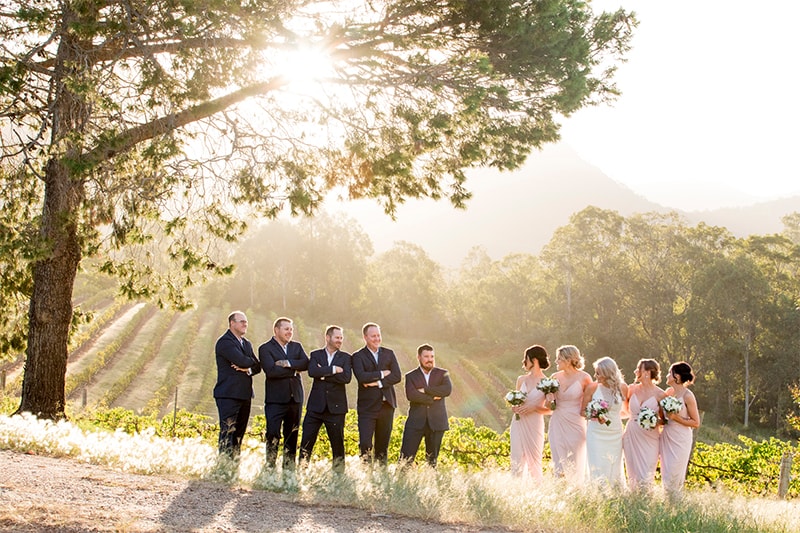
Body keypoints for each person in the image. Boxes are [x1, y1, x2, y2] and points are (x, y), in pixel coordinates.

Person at [298, 325, 352, 472]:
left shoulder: (346, 358)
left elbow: (346, 378)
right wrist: (334, 370)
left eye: (341, 338)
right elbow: (312, 372)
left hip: (336, 409)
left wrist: (323, 375)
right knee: (306, 441)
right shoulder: (315, 355)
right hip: (315, 407)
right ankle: (301, 472)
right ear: (328, 337)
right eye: (337, 337)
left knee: (337, 444)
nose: (340, 340)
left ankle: (338, 476)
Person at [259, 317, 309, 469]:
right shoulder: (265, 348)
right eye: (286, 329)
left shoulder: (297, 347)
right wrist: (294, 370)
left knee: (292, 435)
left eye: (291, 329)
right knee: (273, 434)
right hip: (275, 400)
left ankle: (288, 469)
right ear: (276, 330)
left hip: (295, 399)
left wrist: (287, 364)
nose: (290, 332)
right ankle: (270, 467)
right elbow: (271, 371)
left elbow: (306, 363)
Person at [213, 311, 262, 457]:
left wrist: (247, 368)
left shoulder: (246, 343)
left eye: (246, 321)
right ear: (232, 323)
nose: (244, 324)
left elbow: (258, 367)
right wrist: (248, 363)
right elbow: (243, 361)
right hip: (228, 394)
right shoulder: (225, 342)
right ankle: (223, 465)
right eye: (241, 321)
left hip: (245, 394)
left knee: (239, 433)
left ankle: (234, 467)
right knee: (228, 432)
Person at [352, 322, 401, 464]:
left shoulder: (389, 353)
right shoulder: (358, 356)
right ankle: (365, 476)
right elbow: (362, 377)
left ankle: (381, 479)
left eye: (378, 335)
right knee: (365, 444)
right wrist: (382, 373)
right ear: (365, 337)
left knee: (382, 446)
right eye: (373, 336)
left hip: (387, 406)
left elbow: (397, 376)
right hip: (367, 407)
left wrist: (378, 383)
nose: (377, 338)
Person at [399, 344, 452, 467]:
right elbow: (411, 395)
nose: (430, 359)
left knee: (432, 462)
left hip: (437, 423)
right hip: (415, 423)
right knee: (405, 460)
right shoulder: (410, 376)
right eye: (426, 356)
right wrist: (433, 398)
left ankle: (430, 483)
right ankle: (400, 482)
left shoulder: (443, 373)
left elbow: (447, 390)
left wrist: (425, 390)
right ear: (419, 357)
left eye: (432, 356)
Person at [548, 345, 592, 482]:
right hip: (557, 421)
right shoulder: (554, 377)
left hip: (576, 422)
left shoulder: (585, 378)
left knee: (576, 458)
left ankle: (577, 489)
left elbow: (590, 401)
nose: (556, 362)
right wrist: (549, 398)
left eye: (559, 359)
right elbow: (549, 406)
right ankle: (560, 488)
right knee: (558, 458)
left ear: (568, 360)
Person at [582, 356, 628, 485]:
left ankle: (615, 491)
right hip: (596, 433)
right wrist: (594, 415)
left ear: (608, 372)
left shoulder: (623, 388)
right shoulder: (592, 388)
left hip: (615, 433)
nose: (595, 375)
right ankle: (597, 492)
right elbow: (583, 412)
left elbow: (625, 411)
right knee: (596, 462)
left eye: (598, 373)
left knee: (614, 463)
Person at [622, 358, 666, 491]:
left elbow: (664, 420)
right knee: (632, 471)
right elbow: (625, 410)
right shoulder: (631, 389)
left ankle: (646, 500)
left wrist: (653, 422)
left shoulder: (660, 394)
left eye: (638, 369)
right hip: (631, 433)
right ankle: (633, 500)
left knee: (647, 471)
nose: (635, 371)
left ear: (647, 372)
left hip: (649, 437)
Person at [509, 345, 551, 479]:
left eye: (525, 359)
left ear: (534, 360)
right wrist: (515, 407)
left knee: (534, 460)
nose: (524, 362)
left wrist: (535, 408)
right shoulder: (521, 379)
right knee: (516, 458)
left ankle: (537, 492)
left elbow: (551, 409)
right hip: (518, 422)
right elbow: (517, 400)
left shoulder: (548, 382)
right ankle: (516, 490)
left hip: (534, 424)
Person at [659, 361, 701, 495]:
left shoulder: (688, 396)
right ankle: (667, 503)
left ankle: (675, 503)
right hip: (667, 436)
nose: (666, 375)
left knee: (674, 473)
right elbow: (664, 417)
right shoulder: (668, 393)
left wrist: (677, 418)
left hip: (681, 438)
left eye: (669, 373)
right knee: (666, 473)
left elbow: (696, 422)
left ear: (676, 376)